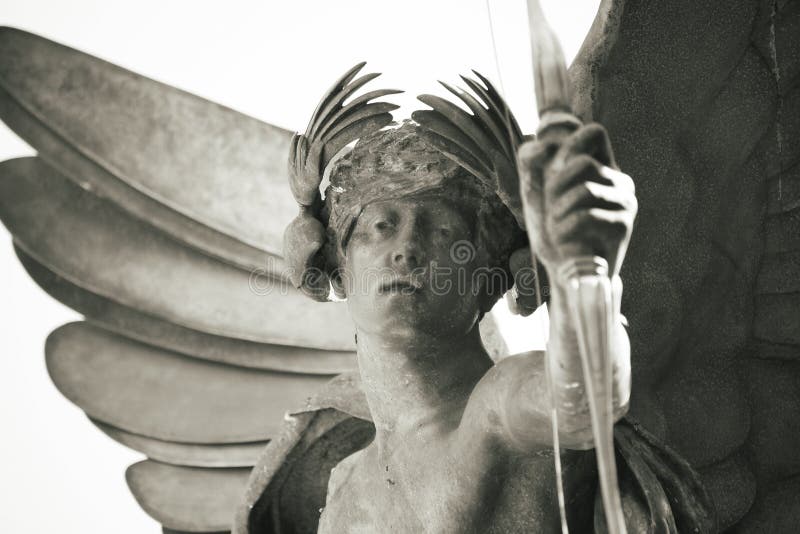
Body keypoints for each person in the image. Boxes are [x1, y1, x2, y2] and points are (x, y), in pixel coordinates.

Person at [278, 66, 712, 533]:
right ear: (339, 266)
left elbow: (584, 395)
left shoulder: (502, 406)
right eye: (381, 225)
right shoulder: (342, 486)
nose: (406, 248)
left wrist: (584, 267)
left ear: (486, 281)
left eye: (442, 230)